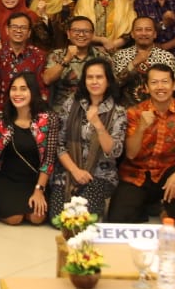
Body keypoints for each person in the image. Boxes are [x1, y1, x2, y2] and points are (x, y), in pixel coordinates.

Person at [105, 63, 175, 223]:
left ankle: (169, 210)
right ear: (146, 88)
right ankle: (146, 205)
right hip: (137, 174)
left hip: (167, 172)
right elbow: (130, 153)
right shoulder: (135, 112)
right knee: (118, 219)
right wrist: (141, 128)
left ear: (174, 85)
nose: (160, 87)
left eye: (165, 82)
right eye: (154, 83)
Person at [0, 72, 58, 225]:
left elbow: (49, 158)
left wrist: (39, 189)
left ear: (33, 91)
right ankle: (1, 208)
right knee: (14, 219)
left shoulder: (48, 119)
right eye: (14, 89)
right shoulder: (2, 121)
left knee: (37, 218)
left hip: (34, 180)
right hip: (6, 180)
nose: (17, 93)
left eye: (23, 89)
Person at [48, 56, 126, 219]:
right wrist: (75, 170)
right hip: (69, 170)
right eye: (90, 77)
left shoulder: (118, 112)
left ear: (108, 81)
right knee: (57, 217)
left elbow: (114, 152)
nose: (94, 82)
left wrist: (98, 125)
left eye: (99, 77)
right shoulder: (72, 104)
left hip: (100, 174)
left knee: (83, 218)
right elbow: (58, 143)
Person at [0, 11, 47, 106]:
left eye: (23, 27)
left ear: (29, 33)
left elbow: (40, 87)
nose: (18, 31)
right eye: (14, 27)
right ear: (7, 30)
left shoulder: (38, 55)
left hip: (27, 110)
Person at [42, 15, 102, 119]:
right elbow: (47, 79)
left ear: (92, 35)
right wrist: (66, 59)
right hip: (62, 112)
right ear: (68, 34)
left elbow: (112, 84)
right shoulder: (57, 55)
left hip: (93, 112)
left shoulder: (101, 56)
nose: (81, 34)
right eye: (76, 31)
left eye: (86, 31)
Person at [112, 16, 175, 107]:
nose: (143, 33)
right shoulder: (120, 55)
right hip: (126, 111)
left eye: (148, 30)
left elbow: (170, 88)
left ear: (155, 34)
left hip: (158, 110)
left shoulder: (167, 57)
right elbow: (115, 85)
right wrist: (133, 64)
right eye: (139, 30)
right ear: (132, 34)